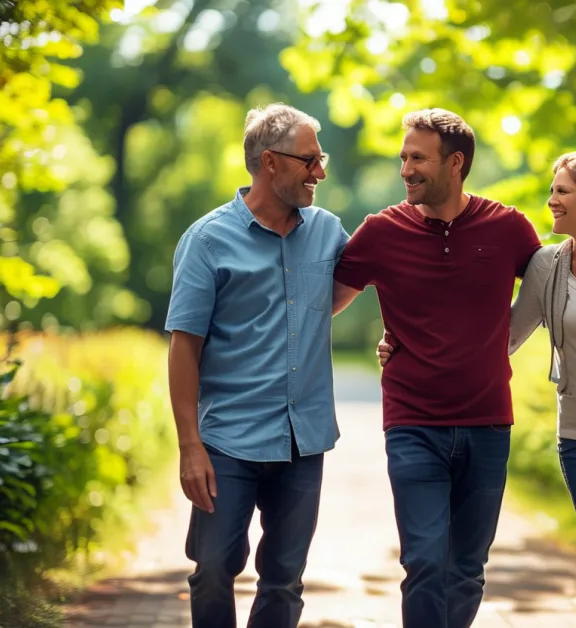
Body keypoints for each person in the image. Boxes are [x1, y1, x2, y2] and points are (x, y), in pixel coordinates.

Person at [382, 150, 576, 627]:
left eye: (562, 191)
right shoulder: (548, 267)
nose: (552, 201)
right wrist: (413, 342)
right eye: (551, 191)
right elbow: (500, 337)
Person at [331, 108, 541, 628]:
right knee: (424, 560)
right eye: (403, 157)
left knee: (467, 568)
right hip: (412, 422)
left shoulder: (509, 228)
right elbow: (321, 302)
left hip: (488, 423)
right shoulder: (381, 231)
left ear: (456, 163)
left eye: (418, 158)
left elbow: (553, 292)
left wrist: (500, 345)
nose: (405, 168)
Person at [165, 103, 348, 628]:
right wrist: (189, 446)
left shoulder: (328, 231)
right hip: (228, 440)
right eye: (309, 160)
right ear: (270, 161)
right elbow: (184, 346)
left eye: (322, 159)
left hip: (303, 438)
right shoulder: (207, 240)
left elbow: (360, 284)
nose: (321, 172)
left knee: (285, 580)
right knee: (214, 567)